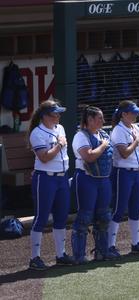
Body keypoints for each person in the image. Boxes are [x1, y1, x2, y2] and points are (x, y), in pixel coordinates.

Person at [28, 100, 75, 270]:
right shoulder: (37, 133)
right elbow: (45, 157)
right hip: (45, 178)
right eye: (55, 114)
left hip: (62, 178)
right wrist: (60, 144)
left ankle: (61, 254)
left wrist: (59, 144)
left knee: (61, 217)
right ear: (45, 116)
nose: (59, 116)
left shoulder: (60, 128)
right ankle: (34, 258)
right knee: (41, 217)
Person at [71, 105, 117, 263]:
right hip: (86, 178)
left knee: (104, 216)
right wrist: (103, 146)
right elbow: (89, 157)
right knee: (84, 217)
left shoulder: (103, 134)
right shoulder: (80, 136)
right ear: (90, 120)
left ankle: (102, 252)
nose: (103, 121)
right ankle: (79, 255)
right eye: (99, 118)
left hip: (103, 179)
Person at [107, 101, 139, 257]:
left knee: (136, 209)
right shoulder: (118, 130)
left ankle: (136, 243)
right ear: (124, 114)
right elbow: (124, 153)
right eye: (132, 113)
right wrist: (136, 142)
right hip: (122, 172)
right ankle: (110, 245)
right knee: (119, 209)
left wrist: (138, 146)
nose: (135, 115)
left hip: (137, 172)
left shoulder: (135, 127)